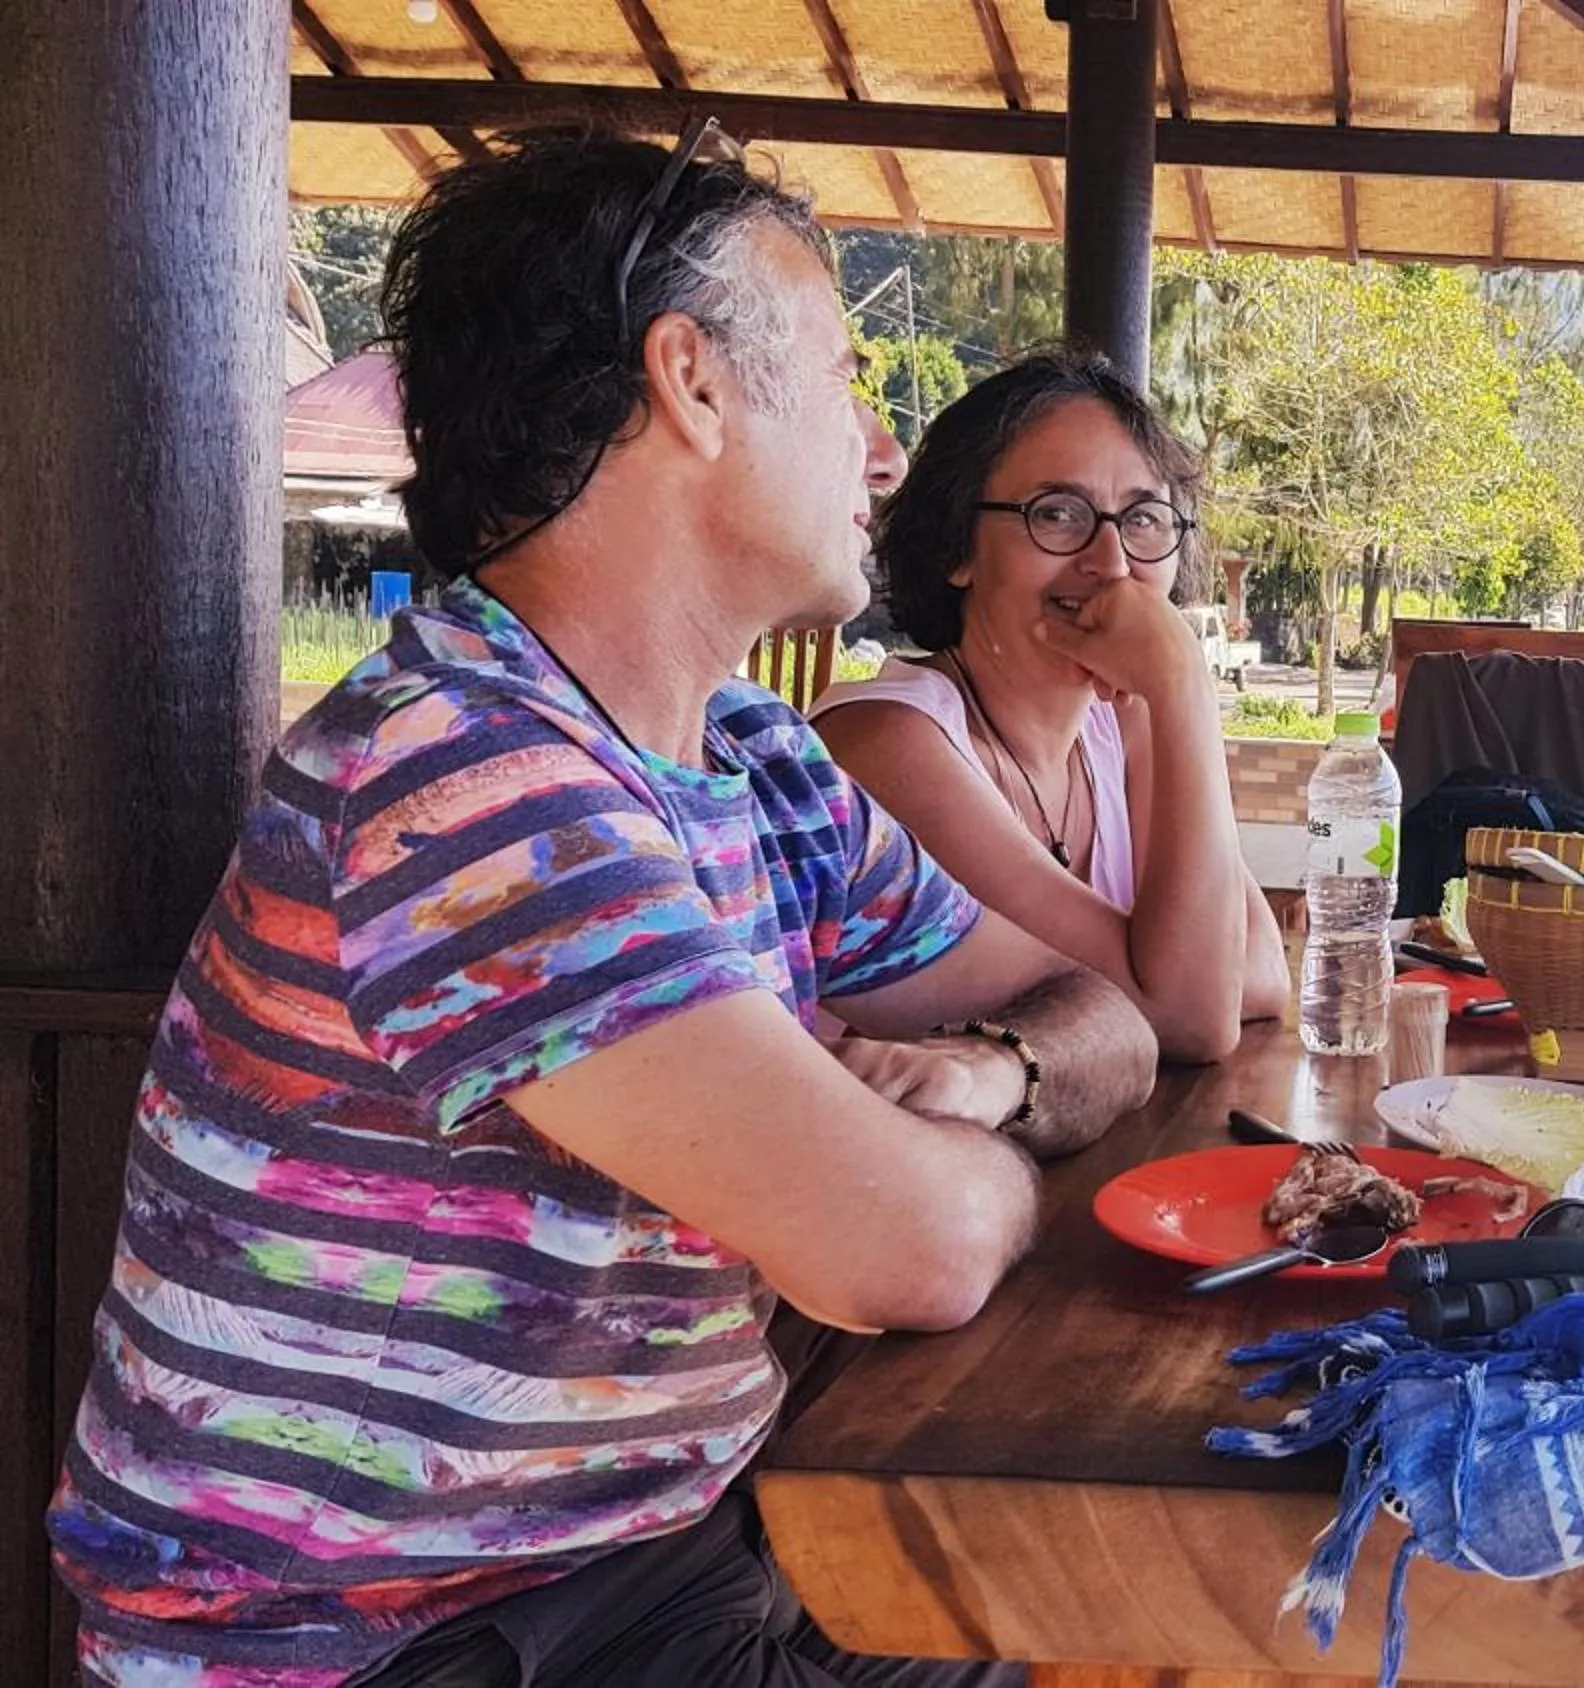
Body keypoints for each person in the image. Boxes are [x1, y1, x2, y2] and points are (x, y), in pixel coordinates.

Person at [44, 125, 1158, 1687]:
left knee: (1126, 1638)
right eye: (846, 379)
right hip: (378, 1650)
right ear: (690, 381)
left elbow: (1103, 1018)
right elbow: (902, 1255)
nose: (884, 452)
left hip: (653, 1571)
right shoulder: (466, 777)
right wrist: (973, 1171)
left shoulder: (752, 757)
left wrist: (994, 1069)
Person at [809, 354, 1288, 1062]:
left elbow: (1261, 975)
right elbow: (1190, 1018)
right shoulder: (887, 743)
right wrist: (1186, 684)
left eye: (1144, 518)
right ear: (957, 547)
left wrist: (1168, 700)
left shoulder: (1123, 724)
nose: (1113, 562)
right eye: (1056, 513)